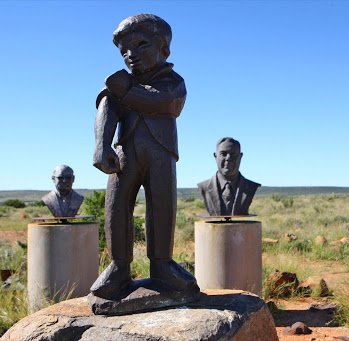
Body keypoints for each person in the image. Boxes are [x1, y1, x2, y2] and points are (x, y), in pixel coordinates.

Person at [90, 14, 197, 299]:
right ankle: (118, 267)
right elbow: (107, 106)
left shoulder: (172, 81)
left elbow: (167, 103)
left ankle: (162, 265)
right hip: (124, 153)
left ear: (164, 47)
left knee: (162, 206)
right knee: (116, 205)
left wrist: (124, 90)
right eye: (124, 50)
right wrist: (102, 145)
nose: (130, 55)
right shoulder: (119, 85)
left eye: (140, 45)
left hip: (162, 153)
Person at [198, 137, 261, 216]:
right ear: (215, 156)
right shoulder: (204, 186)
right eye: (223, 154)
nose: (228, 158)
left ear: (240, 157)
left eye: (233, 154)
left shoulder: (251, 186)